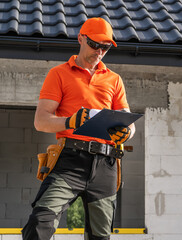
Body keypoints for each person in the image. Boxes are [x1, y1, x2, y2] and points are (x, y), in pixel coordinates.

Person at [22, 17, 135, 240]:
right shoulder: (59, 74)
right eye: (95, 44)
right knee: (40, 222)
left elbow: (128, 123)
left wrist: (127, 132)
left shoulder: (114, 80)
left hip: (106, 164)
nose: (100, 51)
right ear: (81, 39)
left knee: (100, 236)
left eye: (105, 47)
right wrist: (70, 122)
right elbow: (41, 121)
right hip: (69, 161)